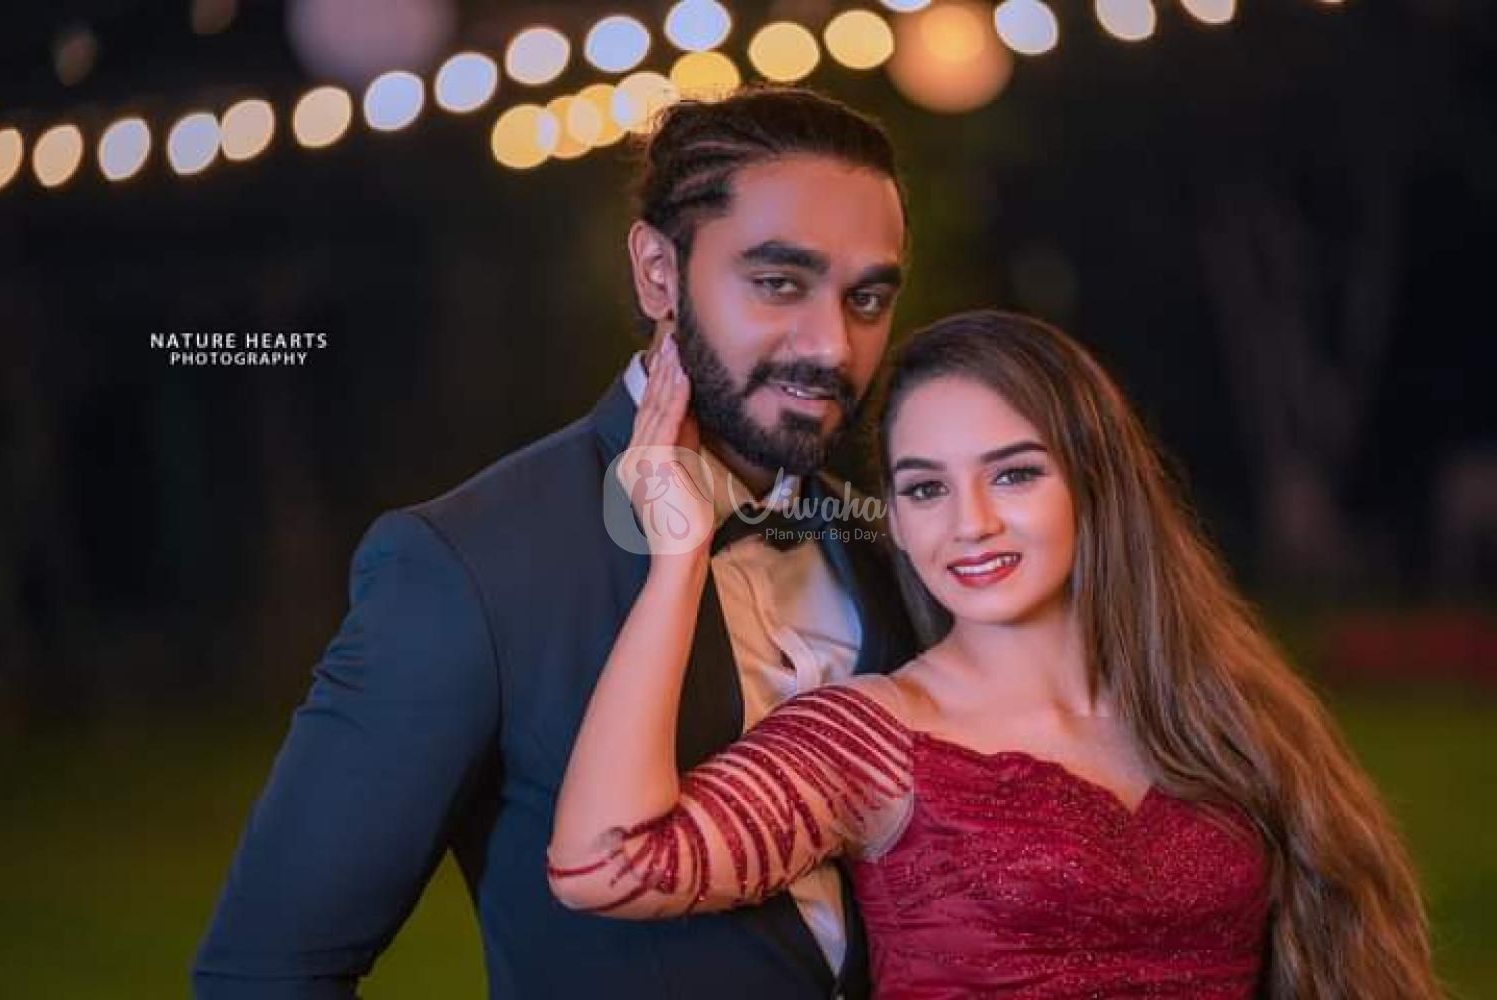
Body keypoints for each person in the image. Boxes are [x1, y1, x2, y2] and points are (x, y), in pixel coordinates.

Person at [193, 86, 919, 999]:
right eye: (779, 282)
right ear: (657, 271)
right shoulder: (468, 566)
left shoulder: (895, 548)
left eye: (867, 297)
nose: (833, 345)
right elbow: (261, 971)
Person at [548, 310, 1439, 998]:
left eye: (1013, 473)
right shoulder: (871, 740)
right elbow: (599, 866)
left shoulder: (1215, 705)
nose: (969, 523)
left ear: (1094, 483)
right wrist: (678, 563)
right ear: (896, 522)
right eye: (925, 489)